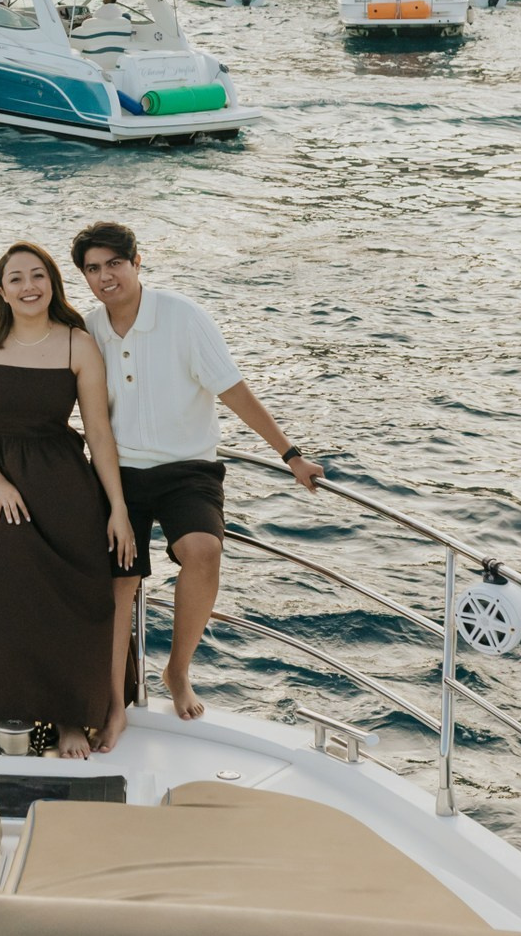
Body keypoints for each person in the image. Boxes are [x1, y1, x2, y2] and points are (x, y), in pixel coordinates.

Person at [70, 222, 320, 741]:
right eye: (93, 269)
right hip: (119, 474)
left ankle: (177, 670)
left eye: (114, 264)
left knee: (203, 550)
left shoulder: (184, 318)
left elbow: (233, 390)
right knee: (120, 582)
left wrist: (290, 453)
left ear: (138, 262)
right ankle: (113, 705)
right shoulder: (89, 329)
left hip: (188, 469)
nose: (104, 276)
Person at [0, 242, 135, 760]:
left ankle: (74, 717)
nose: (29, 287)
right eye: (16, 279)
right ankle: (4, 703)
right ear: (1, 291)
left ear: (52, 282)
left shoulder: (77, 344)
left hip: (60, 482)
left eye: (38, 276)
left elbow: (97, 431)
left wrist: (117, 508)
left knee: (76, 588)